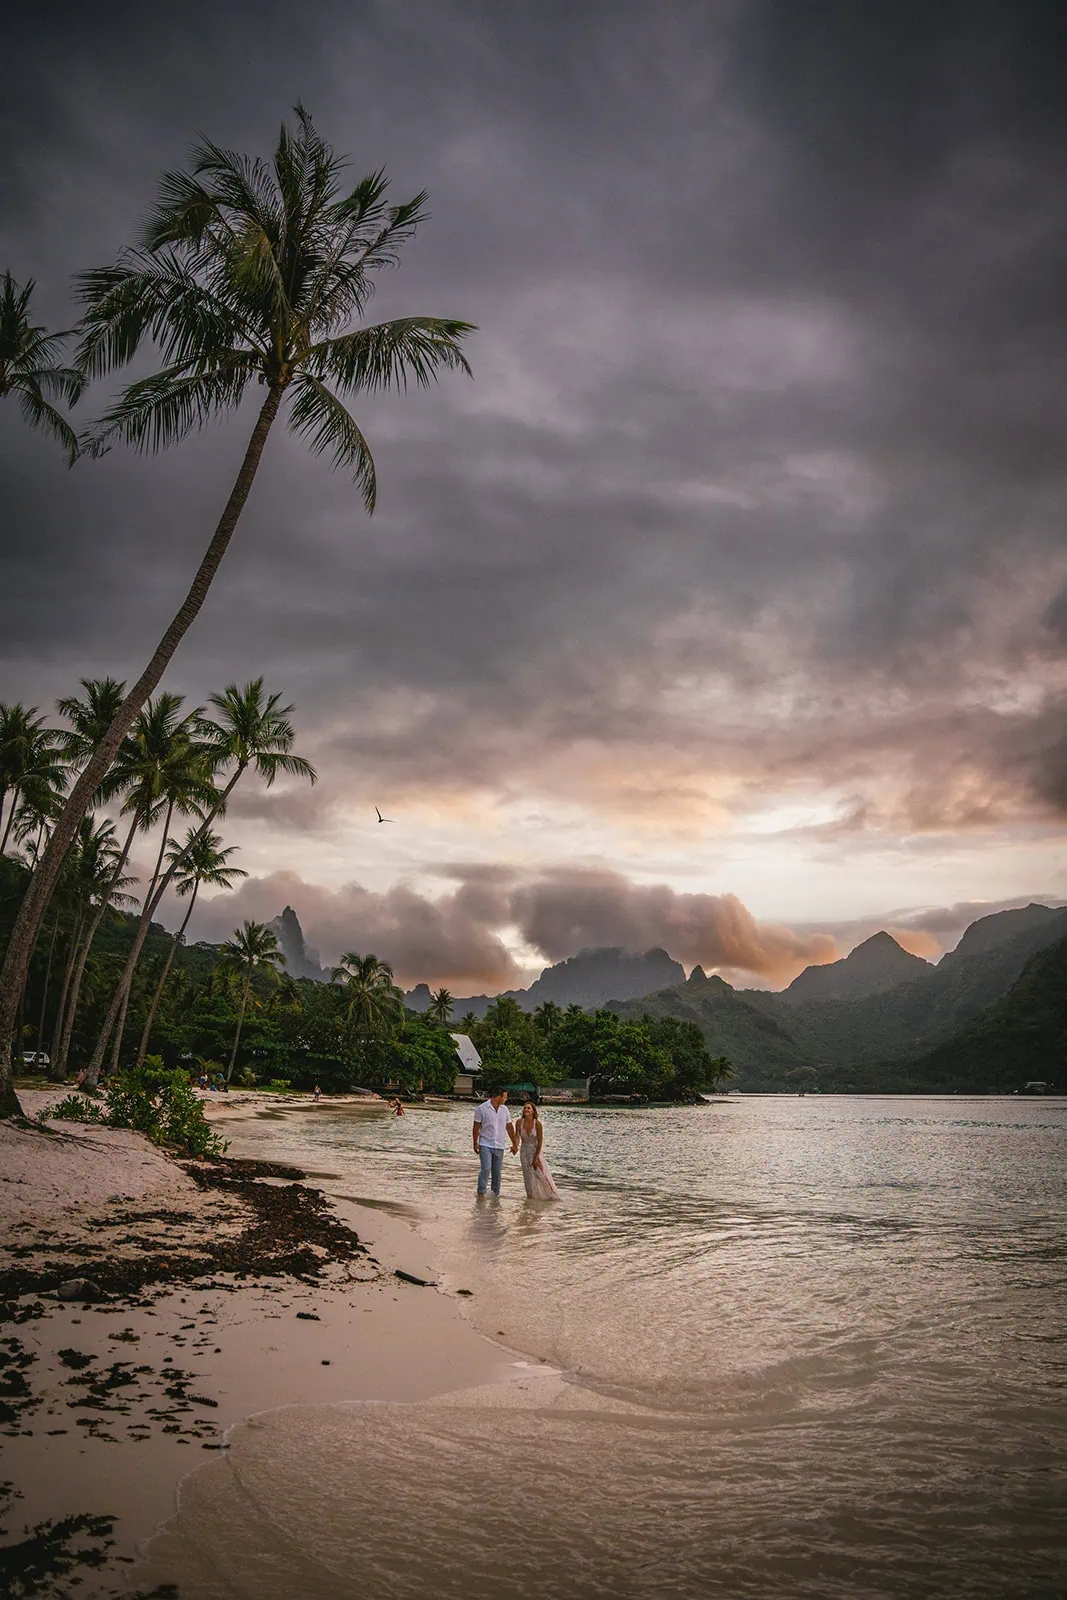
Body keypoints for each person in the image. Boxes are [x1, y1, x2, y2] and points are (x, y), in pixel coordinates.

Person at [473, 1088, 517, 1196]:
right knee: (486, 1168)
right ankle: (481, 1192)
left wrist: (515, 1143)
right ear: (499, 1096)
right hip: (485, 1143)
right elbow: (476, 1127)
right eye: (505, 1097)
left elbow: (509, 1127)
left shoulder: (505, 1110)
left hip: (499, 1145)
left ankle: (495, 1195)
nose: (506, 1099)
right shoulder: (481, 1108)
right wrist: (475, 1142)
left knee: (497, 1173)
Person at [514, 1101, 560, 1200]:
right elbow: (517, 1137)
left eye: (528, 1108)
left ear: (533, 1111)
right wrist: (515, 1146)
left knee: (540, 1173)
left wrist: (536, 1158)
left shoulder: (537, 1124)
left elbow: (540, 1142)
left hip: (535, 1151)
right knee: (528, 1176)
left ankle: (551, 1195)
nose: (526, 1109)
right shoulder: (519, 1122)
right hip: (524, 1151)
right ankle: (531, 1197)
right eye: (525, 1108)